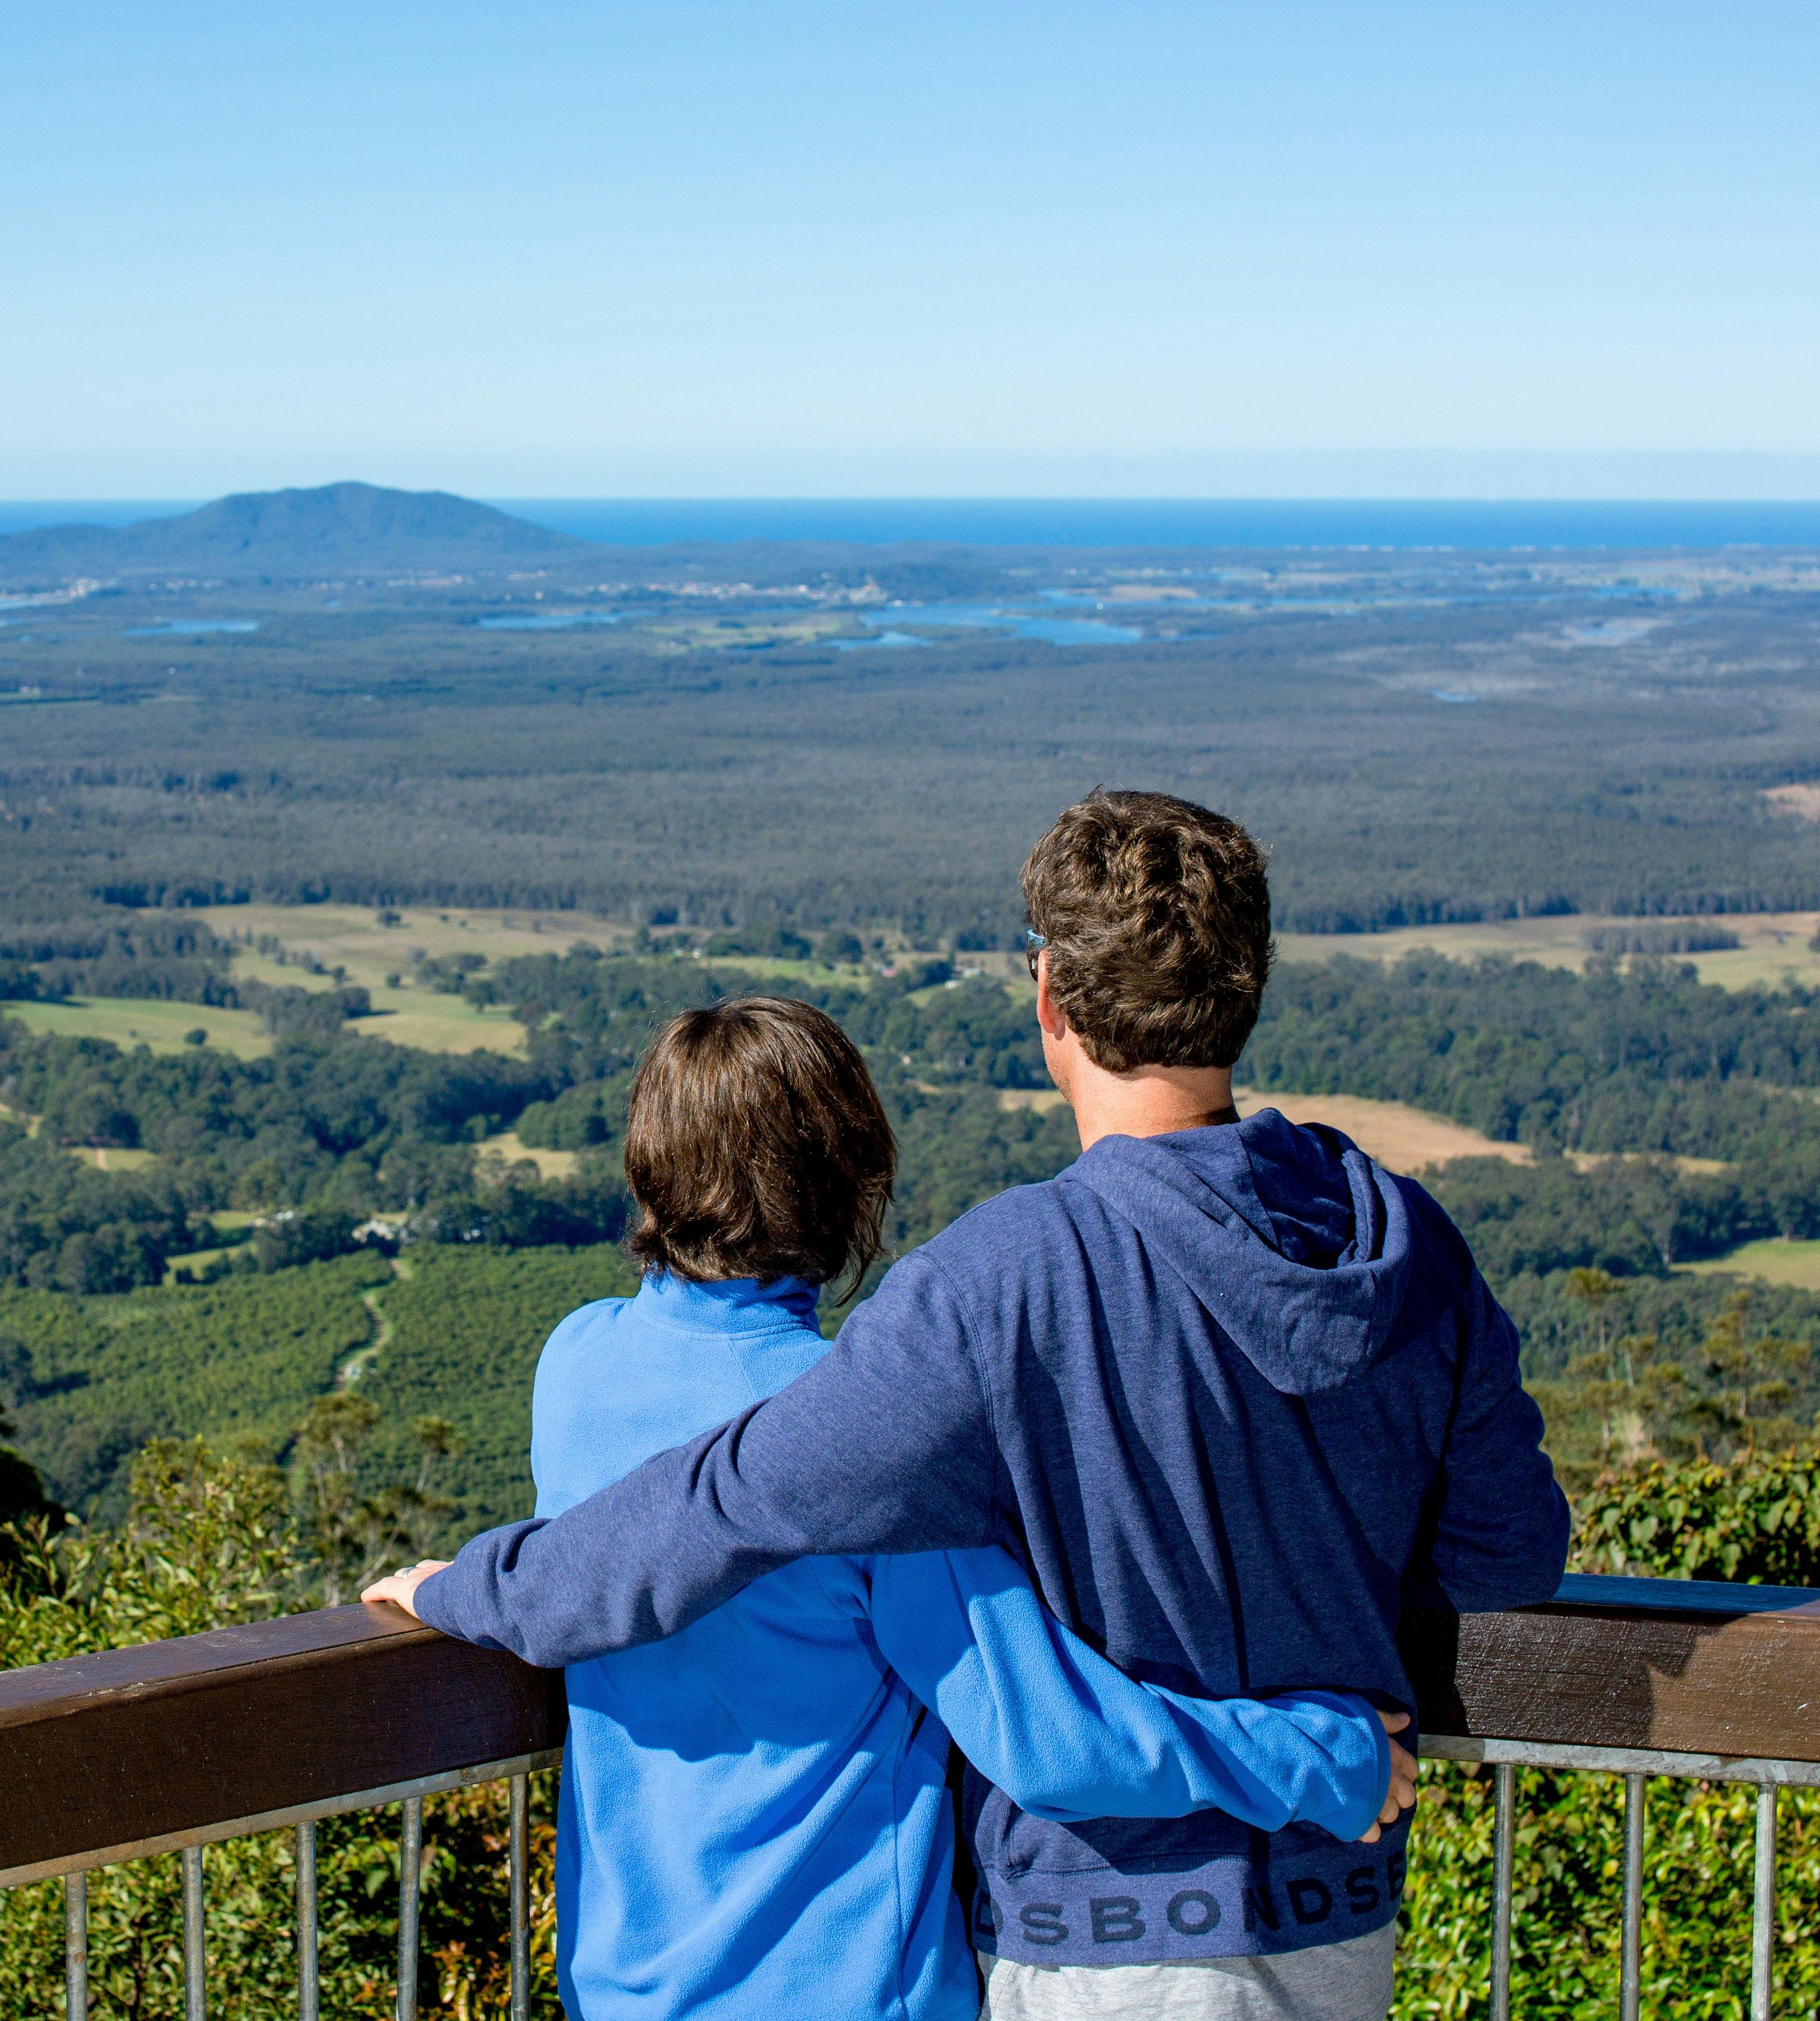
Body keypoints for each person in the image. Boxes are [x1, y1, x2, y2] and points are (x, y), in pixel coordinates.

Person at [369, 791, 1572, 2020]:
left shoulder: (998, 1283)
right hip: (1340, 1906)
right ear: (1246, 985)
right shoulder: (1404, 1239)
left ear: (1048, 995)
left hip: (1091, 1923)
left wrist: (473, 1586)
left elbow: (728, 1499)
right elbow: (1507, 1549)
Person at [446, 993, 1412, 2021]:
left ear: (650, 1165)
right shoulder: (866, 1440)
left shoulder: (575, 1365)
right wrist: (1321, 1761)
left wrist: (445, 1586)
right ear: (848, 1183)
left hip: (622, 1990)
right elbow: (1053, 1737)